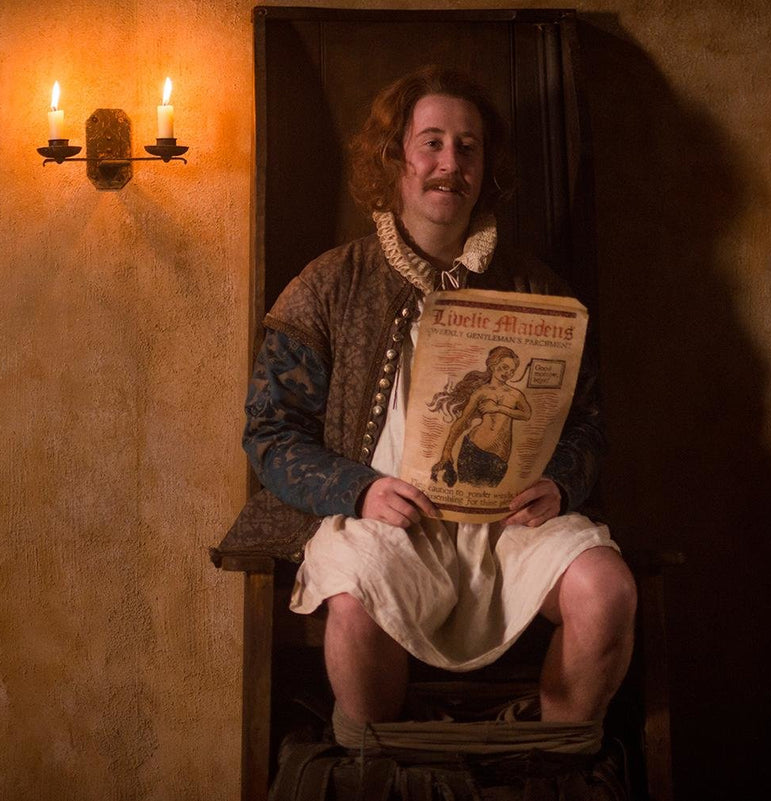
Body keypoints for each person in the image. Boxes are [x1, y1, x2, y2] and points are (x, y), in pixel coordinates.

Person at [236, 65, 636, 746]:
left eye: (468, 147)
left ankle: (550, 765)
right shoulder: (328, 284)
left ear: (485, 167)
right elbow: (270, 431)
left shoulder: (538, 288)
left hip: (511, 526)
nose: (451, 163)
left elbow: (588, 422)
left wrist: (561, 481)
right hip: (386, 523)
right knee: (354, 603)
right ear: (395, 159)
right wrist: (359, 490)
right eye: (432, 143)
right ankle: (382, 765)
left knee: (607, 590)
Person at [429, 345, 531, 488]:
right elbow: (462, 421)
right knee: (467, 489)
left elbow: (527, 414)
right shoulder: (481, 392)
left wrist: (499, 408)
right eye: (504, 367)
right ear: (493, 365)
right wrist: (447, 450)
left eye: (512, 371)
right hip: (474, 449)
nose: (507, 373)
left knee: (490, 492)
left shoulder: (515, 394)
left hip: (501, 456)